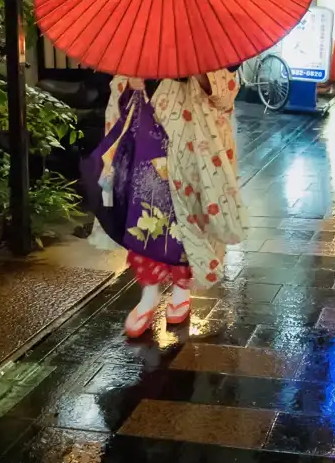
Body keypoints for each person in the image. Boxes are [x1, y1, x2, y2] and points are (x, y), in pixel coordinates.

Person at [98, 69, 246, 339]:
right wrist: (129, 83)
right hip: (145, 144)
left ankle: (181, 290)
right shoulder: (141, 45)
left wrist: (201, 76)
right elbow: (117, 90)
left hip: (190, 150)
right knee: (144, 220)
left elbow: (225, 96)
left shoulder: (206, 50)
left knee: (186, 224)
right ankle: (149, 294)